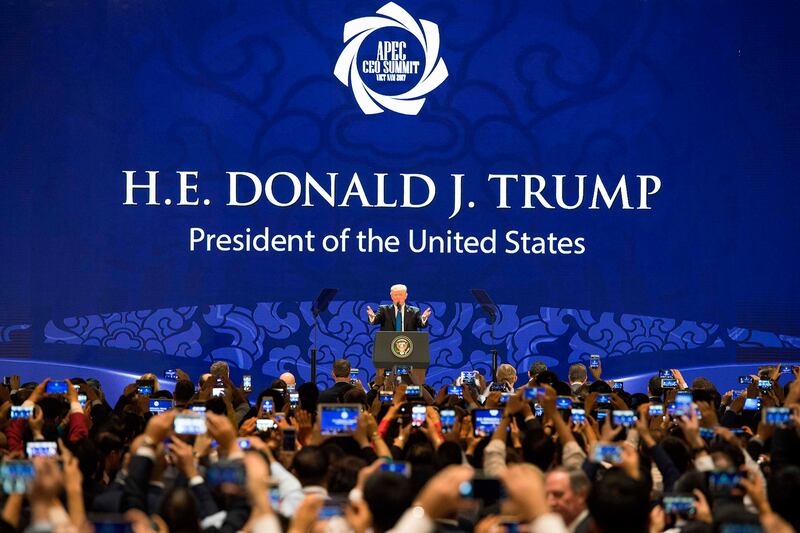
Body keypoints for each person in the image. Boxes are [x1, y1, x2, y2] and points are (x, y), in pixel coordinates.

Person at [365, 283, 431, 331]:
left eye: (400, 295)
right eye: (395, 295)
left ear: (406, 296)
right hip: (388, 342)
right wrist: (372, 317)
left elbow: (421, 325)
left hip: (408, 343)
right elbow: (374, 321)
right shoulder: (384, 310)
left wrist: (424, 318)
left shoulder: (414, 311)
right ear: (391, 296)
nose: (398, 297)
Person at [546, 467, 591, 533]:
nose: (550, 503)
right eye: (546, 495)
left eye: (558, 494)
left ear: (581, 496)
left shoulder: (594, 528)